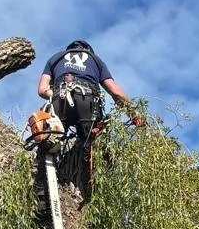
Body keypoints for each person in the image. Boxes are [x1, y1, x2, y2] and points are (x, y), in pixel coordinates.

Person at [37, 39, 131, 181]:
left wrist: (57, 93)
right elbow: (116, 92)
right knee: (96, 147)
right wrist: (134, 114)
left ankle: (42, 172)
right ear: (88, 50)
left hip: (59, 101)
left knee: (49, 141)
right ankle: (95, 181)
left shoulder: (55, 59)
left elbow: (42, 90)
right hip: (87, 101)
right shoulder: (95, 60)